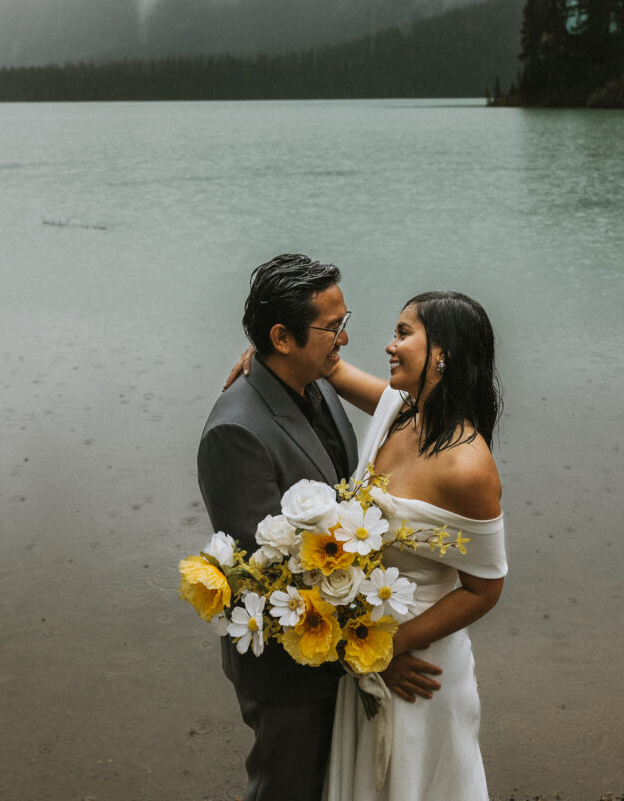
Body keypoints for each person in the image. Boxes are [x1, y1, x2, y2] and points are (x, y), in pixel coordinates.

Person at [322, 289, 507, 801]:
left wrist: (388, 648)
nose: (390, 345)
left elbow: (485, 588)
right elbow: (329, 370)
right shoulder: (401, 411)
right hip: (367, 649)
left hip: (418, 667)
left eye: (403, 333)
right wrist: (264, 358)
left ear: (442, 354)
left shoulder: (468, 468)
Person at [197, 253, 360, 801]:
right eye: (332, 328)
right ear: (282, 337)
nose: (343, 340)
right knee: (284, 788)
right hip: (287, 663)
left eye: (345, 322)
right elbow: (272, 576)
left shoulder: (316, 381)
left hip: (333, 649)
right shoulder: (236, 432)